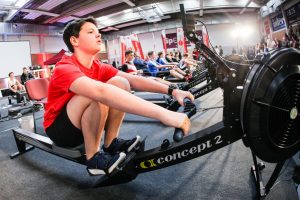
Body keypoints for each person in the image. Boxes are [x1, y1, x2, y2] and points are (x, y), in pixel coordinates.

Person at [44, 17, 194, 175]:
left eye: (98, 32)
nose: (98, 35)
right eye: (91, 32)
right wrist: (164, 114)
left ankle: (110, 143)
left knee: (120, 82)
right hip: (60, 131)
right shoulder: (64, 67)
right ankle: (93, 158)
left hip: (83, 122)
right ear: (74, 40)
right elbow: (100, 92)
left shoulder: (98, 66)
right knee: (95, 93)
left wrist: (173, 90)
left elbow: (133, 80)